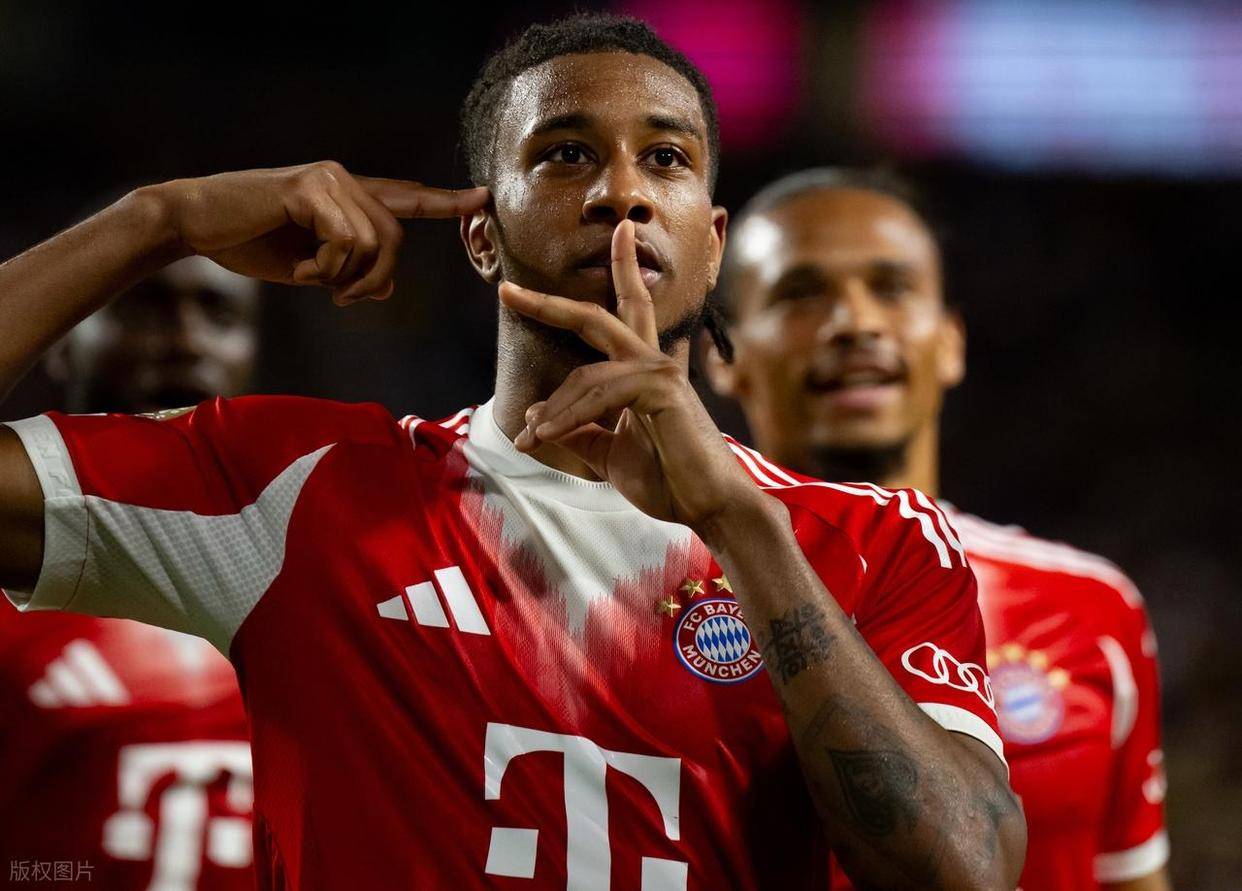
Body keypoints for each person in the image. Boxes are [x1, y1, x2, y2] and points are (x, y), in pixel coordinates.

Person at [0, 16, 1024, 890]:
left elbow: (965, 869)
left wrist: (736, 522)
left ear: (712, 244)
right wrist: (158, 220)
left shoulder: (875, 541)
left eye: (665, 158)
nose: (621, 192)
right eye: (565, 154)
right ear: (481, 234)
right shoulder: (302, 486)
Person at [706, 167, 1169, 890]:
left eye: (891, 287)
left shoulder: (1090, 608)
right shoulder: (662, 602)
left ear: (950, 342)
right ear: (723, 357)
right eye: (801, 294)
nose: (855, 322)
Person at [0, 257, 259, 890]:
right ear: (62, 341)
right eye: (145, 306)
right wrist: (153, 220)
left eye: (219, 315)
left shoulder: (321, 579)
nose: (186, 341)